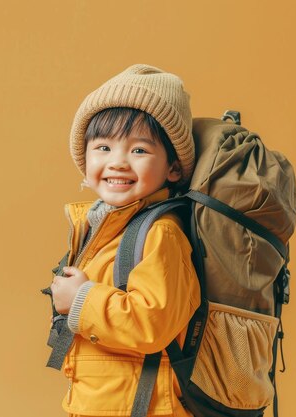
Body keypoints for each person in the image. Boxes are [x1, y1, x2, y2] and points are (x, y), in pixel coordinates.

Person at [49, 64, 200, 417]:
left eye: (139, 151)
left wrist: (81, 299)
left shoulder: (162, 233)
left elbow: (152, 323)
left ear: (173, 168)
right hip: (105, 404)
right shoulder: (102, 227)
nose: (117, 162)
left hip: (145, 408)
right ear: (84, 159)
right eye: (103, 147)